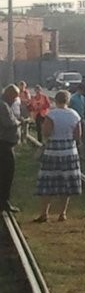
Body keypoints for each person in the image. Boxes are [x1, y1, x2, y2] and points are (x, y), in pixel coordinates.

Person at [34, 90, 82, 223]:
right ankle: (62, 213)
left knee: (48, 183)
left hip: (53, 152)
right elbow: (78, 136)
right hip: (69, 151)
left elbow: (46, 132)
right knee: (65, 183)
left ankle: (44, 213)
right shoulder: (74, 115)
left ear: (56, 100)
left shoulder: (52, 114)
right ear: (68, 101)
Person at [0, 84, 21, 213]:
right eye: (14, 97)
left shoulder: (4, 104)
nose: (15, 100)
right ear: (9, 95)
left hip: (4, 144)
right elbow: (9, 123)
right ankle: (4, 202)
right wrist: (19, 122)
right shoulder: (2, 106)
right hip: (4, 145)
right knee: (6, 174)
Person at [69, 84, 85, 153]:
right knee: (77, 137)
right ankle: (77, 152)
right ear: (79, 90)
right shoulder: (72, 98)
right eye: (82, 91)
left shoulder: (83, 98)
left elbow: (84, 108)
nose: (83, 92)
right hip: (74, 120)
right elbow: (69, 108)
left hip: (82, 119)